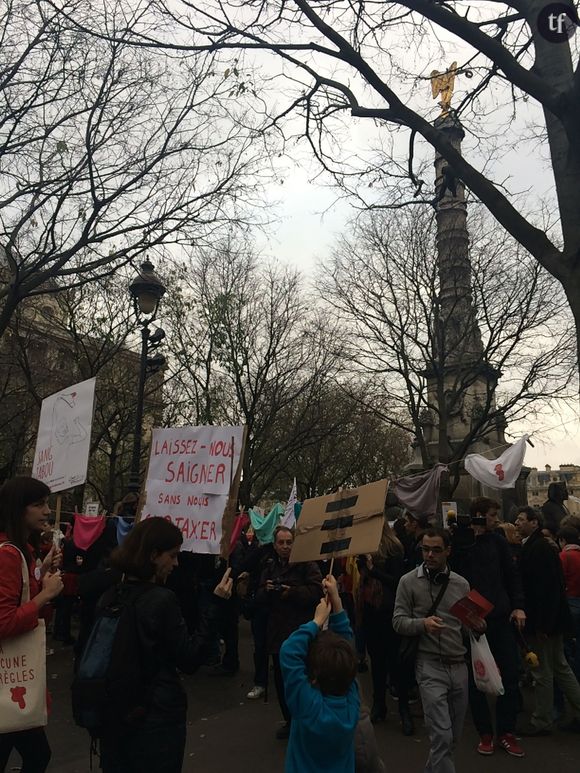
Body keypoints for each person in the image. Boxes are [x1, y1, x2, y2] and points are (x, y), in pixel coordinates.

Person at [96, 517, 230, 773]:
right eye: (173, 555)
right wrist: (217, 604)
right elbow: (189, 659)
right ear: (154, 555)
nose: (176, 563)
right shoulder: (161, 600)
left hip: (113, 715)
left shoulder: (110, 595)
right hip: (155, 719)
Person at [393, 528, 485, 773]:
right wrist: (422, 625)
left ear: (448, 551)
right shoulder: (408, 581)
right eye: (425, 549)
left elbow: (467, 627)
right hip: (428, 665)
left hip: (459, 666)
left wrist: (477, 626)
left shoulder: (461, 584)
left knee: (452, 738)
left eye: (435, 550)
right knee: (441, 738)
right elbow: (398, 621)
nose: (429, 555)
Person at [450, 497, 526, 757]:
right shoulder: (464, 542)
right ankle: (485, 731)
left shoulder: (499, 542)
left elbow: (511, 575)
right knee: (477, 678)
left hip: (500, 616)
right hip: (473, 619)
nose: (496, 519)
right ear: (480, 515)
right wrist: (463, 540)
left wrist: (518, 605)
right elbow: (455, 575)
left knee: (510, 675)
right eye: (492, 515)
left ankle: (506, 730)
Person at [0, 476, 64, 773]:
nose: (47, 511)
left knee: (37, 754)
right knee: (38, 755)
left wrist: (41, 577)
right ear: (17, 508)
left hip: (11, 682)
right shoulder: (8, 554)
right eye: (39, 504)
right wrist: (47, 594)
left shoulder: (16, 550)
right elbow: (6, 622)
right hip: (9, 678)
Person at [279, 574, 360, 773]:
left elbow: (288, 652)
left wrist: (317, 620)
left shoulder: (309, 707)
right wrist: (337, 603)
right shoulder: (351, 703)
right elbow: (345, 652)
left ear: (313, 676)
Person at [515, 507, 580, 735]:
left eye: (521, 519)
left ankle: (541, 719)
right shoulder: (542, 546)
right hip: (554, 619)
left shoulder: (538, 548)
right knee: (561, 667)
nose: (517, 523)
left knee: (542, 670)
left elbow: (545, 590)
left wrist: (543, 624)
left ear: (534, 523)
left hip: (544, 621)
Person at [256, 525, 323, 738]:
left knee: (304, 677)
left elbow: (316, 591)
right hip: (276, 632)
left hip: (301, 631)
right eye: (281, 543)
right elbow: (257, 597)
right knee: (282, 680)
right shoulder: (268, 567)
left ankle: (306, 720)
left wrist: (291, 592)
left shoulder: (306, 564)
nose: (285, 547)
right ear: (274, 545)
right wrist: (266, 590)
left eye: (289, 542)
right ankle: (290, 721)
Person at [357, 522, 413, 734]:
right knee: (377, 663)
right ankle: (378, 704)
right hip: (371, 615)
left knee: (396, 664)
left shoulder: (393, 552)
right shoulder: (366, 553)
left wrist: (373, 570)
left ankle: (404, 709)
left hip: (390, 614)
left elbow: (398, 582)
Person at [558, 525, 580, 680]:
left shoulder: (564, 556)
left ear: (562, 540)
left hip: (570, 600)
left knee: (567, 643)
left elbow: (560, 580)